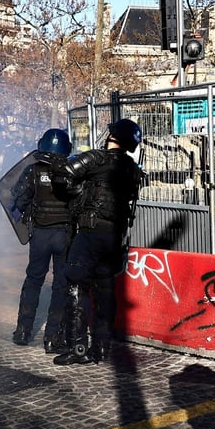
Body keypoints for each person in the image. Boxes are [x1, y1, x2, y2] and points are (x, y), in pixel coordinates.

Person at [49, 118, 143, 365]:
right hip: (114, 237)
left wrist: (75, 195)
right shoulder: (133, 169)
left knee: (76, 286)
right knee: (105, 292)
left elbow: (62, 175)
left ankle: (78, 347)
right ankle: (101, 348)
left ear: (111, 136)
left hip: (90, 233)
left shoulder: (96, 158)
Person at [9, 128, 75, 352]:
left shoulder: (32, 171)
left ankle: (23, 331)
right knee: (61, 285)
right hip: (64, 235)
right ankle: (52, 338)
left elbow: (18, 202)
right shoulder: (72, 171)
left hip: (40, 234)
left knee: (34, 280)